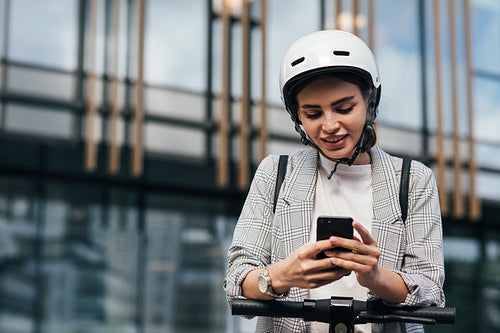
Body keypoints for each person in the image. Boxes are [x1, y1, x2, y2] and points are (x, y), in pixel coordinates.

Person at [224, 30, 445, 333]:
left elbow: (431, 291)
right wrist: (282, 276)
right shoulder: (275, 173)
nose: (330, 126)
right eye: (312, 113)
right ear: (297, 118)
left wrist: (376, 278)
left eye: (344, 108)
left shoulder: (413, 180)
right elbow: (237, 280)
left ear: (370, 100)